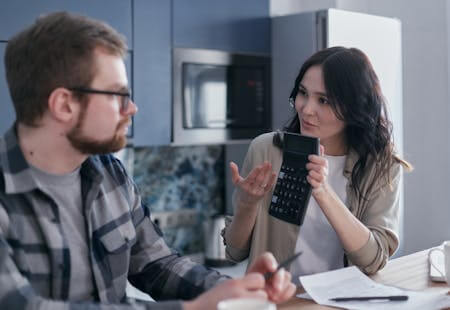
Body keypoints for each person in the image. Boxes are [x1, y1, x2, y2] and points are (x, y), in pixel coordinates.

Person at [0, 12, 296, 310]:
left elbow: (157, 263)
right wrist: (193, 308)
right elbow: (19, 305)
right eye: (118, 95)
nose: (133, 108)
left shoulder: (109, 173)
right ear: (64, 105)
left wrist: (231, 289)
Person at [222, 47, 412, 281]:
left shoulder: (382, 166)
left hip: (343, 302)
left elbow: (373, 260)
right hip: (278, 302)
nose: (306, 108)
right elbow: (234, 252)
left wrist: (323, 191)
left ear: (354, 108)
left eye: (323, 100)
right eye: (303, 93)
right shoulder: (266, 149)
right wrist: (247, 205)